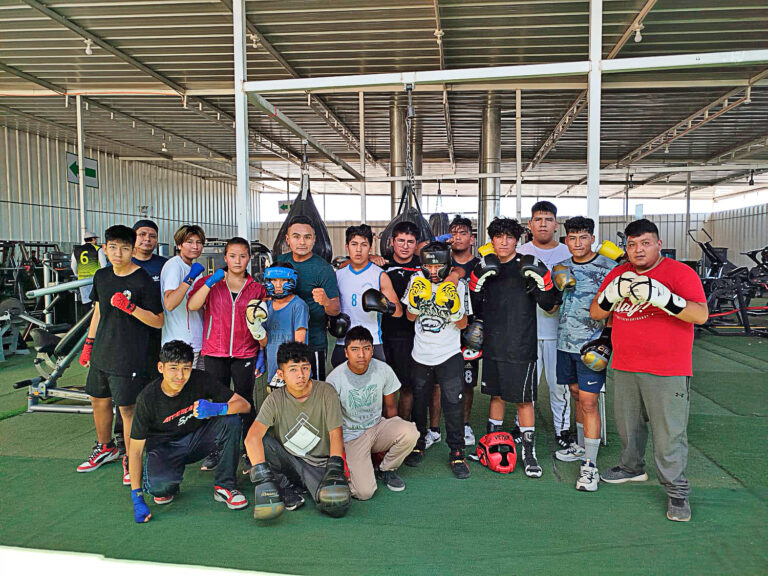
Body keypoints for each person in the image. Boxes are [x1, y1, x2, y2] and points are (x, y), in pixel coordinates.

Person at [590, 219, 707, 521]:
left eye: (644, 243)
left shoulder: (680, 273)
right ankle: (631, 468)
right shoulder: (619, 273)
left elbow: (701, 315)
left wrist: (667, 299)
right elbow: (596, 312)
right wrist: (609, 296)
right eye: (631, 244)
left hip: (668, 369)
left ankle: (677, 493)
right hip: (627, 364)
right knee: (628, 426)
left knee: (669, 434)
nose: (638, 250)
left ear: (657, 244)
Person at [76, 225, 164, 487]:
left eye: (124, 248)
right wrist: (89, 343)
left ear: (132, 249)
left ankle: (130, 457)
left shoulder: (142, 280)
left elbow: (158, 321)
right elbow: (99, 310)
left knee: (127, 409)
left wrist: (131, 307)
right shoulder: (102, 276)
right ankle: (106, 448)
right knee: (98, 399)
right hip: (103, 350)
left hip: (130, 354)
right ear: (104, 249)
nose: (118, 253)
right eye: (112, 247)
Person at [128, 340, 251, 523]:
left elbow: (245, 406)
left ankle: (225, 485)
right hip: (165, 447)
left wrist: (217, 408)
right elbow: (135, 450)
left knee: (231, 420)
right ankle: (170, 480)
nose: (180, 375)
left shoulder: (200, 378)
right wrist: (137, 497)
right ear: (160, 367)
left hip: (197, 439)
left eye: (186, 368)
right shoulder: (147, 398)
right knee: (161, 490)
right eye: (173, 368)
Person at [475, 217, 560, 478]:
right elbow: (476, 308)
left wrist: (544, 280)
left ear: (517, 240)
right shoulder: (483, 267)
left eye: (509, 237)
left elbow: (550, 304)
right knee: (496, 396)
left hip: (522, 343)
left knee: (524, 399)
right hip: (493, 344)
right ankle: (492, 443)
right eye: (498, 236)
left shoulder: (528, 265)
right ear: (491, 240)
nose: (503, 242)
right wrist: (476, 283)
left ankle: (528, 452)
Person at [244, 341, 351, 518]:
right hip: (290, 460)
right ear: (281, 374)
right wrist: (262, 479)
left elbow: (336, 434)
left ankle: (302, 486)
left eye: (305, 368)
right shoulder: (275, 399)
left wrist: (335, 470)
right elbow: (251, 438)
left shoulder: (326, 392)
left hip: (318, 464)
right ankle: (283, 487)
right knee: (259, 443)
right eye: (293, 369)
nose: (300, 375)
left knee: (335, 506)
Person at [188, 237, 267, 469]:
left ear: (249, 259)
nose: (237, 261)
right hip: (215, 352)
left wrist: (260, 352)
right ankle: (216, 448)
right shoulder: (211, 284)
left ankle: (247, 448)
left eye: (242, 256)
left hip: (245, 353)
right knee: (217, 401)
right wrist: (210, 283)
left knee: (244, 400)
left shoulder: (257, 288)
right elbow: (192, 305)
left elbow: (262, 322)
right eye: (232, 256)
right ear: (225, 257)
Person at [552, 216, 615, 492]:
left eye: (583, 237)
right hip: (565, 343)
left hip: (592, 345)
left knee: (589, 402)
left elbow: (617, 306)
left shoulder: (608, 268)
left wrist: (607, 339)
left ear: (592, 238)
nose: (577, 243)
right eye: (572, 238)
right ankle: (580, 446)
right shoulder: (561, 268)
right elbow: (554, 305)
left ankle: (590, 465)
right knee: (576, 394)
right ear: (566, 241)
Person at [402, 242, 471, 479]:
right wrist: (417, 300)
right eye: (428, 265)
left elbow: (463, 325)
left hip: (449, 354)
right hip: (420, 354)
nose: (433, 270)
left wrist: (452, 306)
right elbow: (411, 316)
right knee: (420, 402)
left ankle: (457, 451)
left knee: (453, 404)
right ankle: (418, 444)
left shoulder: (459, 285)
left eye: (438, 265)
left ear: (447, 263)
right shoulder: (415, 282)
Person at [327, 326, 419, 499]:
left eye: (366, 349)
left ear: (372, 349)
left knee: (410, 431)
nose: (361, 355)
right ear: (346, 352)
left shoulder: (382, 369)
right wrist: (339, 456)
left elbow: (391, 408)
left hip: (376, 428)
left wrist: (393, 436)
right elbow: (332, 421)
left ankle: (387, 469)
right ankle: (358, 468)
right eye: (355, 349)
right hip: (352, 436)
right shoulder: (334, 379)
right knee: (364, 492)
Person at [517, 201, 573, 448]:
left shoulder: (568, 253)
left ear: (555, 224)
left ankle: (563, 430)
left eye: (548, 219)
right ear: (530, 224)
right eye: (538, 219)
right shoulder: (520, 252)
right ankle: (522, 427)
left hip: (558, 331)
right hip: (527, 330)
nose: (543, 224)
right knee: (525, 384)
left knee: (558, 385)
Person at [276, 216, 341, 380]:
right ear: (287, 239)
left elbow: (335, 310)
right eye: (296, 236)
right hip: (282, 340)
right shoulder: (280, 263)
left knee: (314, 388)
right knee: (283, 389)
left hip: (314, 341)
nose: (302, 242)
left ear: (314, 240)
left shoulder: (323, 269)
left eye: (307, 237)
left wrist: (326, 301)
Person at [331, 224, 402, 368]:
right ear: (347, 246)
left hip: (373, 341)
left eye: (364, 244)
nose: (358, 249)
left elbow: (399, 312)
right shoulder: (337, 276)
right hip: (343, 342)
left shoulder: (379, 276)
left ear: (370, 248)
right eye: (354, 244)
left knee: (376, 388)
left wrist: (385, 306)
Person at [444, 216, 483, 447]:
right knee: (440, 381)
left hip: (471, 331)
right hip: (444, 330)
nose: (457, 237)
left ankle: (465, 424)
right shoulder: (440, 262)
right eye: (453, 233)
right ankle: (434, 427)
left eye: (463, 233)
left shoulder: (480, 265)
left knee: (467, 381)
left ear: (472, 237)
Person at [380, 221, 421, 420]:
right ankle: (382, 429)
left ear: (416, 244)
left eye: (410, 241)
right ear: (392, 242)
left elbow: (456, 269)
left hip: (414, 335)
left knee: (408, 386)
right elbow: (348, 263)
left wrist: (456, 274)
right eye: (401, 241)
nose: (405, 246)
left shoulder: (424, 268)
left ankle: (403, 428)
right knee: (383, 386)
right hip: (384, 334)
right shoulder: (382, 266)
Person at [258, 262, 309, 394]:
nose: (278, 285)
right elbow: (264, 341)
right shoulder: (266, 306)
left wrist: (288, 372)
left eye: (283, 280)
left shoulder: (298, 305)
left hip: (294, 373)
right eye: (274, 280)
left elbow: (299, 343)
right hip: (274, 371)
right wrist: (255, 328)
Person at [160, 224, 207, 368]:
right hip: (179, 343)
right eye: (190, 242)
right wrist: (190, 277)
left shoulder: (194, 269)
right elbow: (170, 303)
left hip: (197, 342)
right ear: (179, 245)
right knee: (182, 386)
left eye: (199, 243)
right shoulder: (175, 265)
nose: (195, 246)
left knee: (198, 387)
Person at [70, 230, 107, 310]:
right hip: (95, 280)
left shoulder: (76, 250)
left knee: (86, 304)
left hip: (82, 280)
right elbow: (104, 266)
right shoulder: (98, 249)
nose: (96, 241)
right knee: (97, 304)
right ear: (93, 239)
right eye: (95, 239)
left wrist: (77, 274)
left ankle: (87, 321)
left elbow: (73, 266)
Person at [131, 219, 167, 287]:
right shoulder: (119, 263)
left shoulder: (165, 264)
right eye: (142, 234)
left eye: (152, 236)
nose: (147, 239)